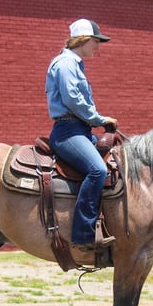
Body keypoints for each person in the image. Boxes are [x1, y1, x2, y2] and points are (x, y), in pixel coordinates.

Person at [45, 18, 118, 252]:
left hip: (81, 130)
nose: (98, 46)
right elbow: (72, 100)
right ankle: (83, 234)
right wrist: (99, 119)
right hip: (68, 132)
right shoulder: (66, 63)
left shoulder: (75, 64)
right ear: (84, 40)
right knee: (98, 170)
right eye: (96, 41)